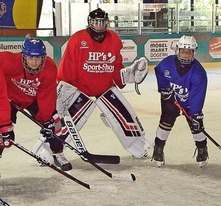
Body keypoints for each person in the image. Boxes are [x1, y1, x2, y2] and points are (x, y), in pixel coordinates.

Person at [56, 8, 151, 158]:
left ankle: (137, 145)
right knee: (66, 120)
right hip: (80, 89)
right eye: (95, 22)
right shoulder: (77, 39)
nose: (99, 25)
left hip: (104, 88)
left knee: (124, 114)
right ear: (89, 23)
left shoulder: (113, 39)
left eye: (102, 22)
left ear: (107, 23)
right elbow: (68, 66)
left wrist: (127, 76)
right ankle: (52, 148)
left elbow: (115, 67)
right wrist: (64, 90)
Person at [0, 37, 70, 171]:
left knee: (55, 123)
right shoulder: (9, 62)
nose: (34, 62)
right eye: (30, 58)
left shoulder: (49, 68)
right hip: (9, 99)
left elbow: (47, 96)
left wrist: (46, 119)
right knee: (2, 135)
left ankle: (58, 152)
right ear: (23, 56)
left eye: (38, 58)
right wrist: (4, 123)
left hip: (32, 98)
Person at [151, 35, 209, 167]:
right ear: (178, 51)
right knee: (166, 120)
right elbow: (158, 71)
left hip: (189, 102)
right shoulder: (167, 63)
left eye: (189, 52)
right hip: (171, 98)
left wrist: (195, 114)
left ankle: (202, 149)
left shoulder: (199, 73)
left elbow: (197, 96)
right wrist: (164, 88)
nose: (185, 55)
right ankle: (158, 149)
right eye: (183, 51)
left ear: (194, 53)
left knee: (196, 125)